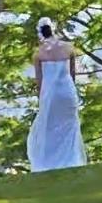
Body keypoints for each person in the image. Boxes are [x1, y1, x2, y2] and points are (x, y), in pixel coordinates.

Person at [27, 19, 87, 172]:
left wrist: (41, 99)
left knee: (49, 128)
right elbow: (72, 75)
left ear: (40, 33)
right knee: (69, 126)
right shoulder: (69, 48)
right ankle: (72, 159)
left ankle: (51, 161)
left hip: (50, 94)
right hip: (67, 92)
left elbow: (40, 82)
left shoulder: (39, 53)